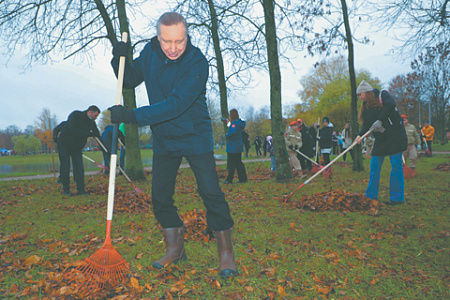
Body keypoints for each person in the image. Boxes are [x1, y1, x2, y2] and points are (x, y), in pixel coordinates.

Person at [108, 12, 237, 278]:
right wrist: (117, 58)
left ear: (186, 36)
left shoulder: (198, 63)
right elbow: (129, 78)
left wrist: (132, 117)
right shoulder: (150, 53)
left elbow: (176, 105)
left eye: (179, 40)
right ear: (158, 37)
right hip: (165, 138)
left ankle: (226, 253)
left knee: (211, 192)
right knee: (160, 196)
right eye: (167, 41)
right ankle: (175, 249)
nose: (173, 47)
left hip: (194, 135)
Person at [354, 80, 407, 205]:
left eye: (360, 94)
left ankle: (396, 198)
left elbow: (390, 105)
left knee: (396, 167)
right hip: (381, 140)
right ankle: (371, 196)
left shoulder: (383, 95)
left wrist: (379, 120)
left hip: (395, 137)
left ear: (366, 92)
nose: (360, 97)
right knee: (374, 166)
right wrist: (359, 136)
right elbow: (367, 124)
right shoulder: (366, 107)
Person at [57, 105, 102, 196]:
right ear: (90, 112)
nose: (96, 118)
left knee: (79, 168)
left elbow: (96, 134)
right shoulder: (75, 115)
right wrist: (89, 134)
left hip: (77, 147)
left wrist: (107, 149)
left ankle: (81, 190)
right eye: (95, 115)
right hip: (64, 144)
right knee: (65, 166)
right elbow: (73, 130)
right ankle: (66, 189)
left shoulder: (91, 123)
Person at [223, 109, 248, 184]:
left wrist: (227, 135)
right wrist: (228, 123)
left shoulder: (234, 123)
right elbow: (234, 128)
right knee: (239, 163)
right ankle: (243, 178)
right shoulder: (239, 123)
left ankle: (229, 179)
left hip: (232, 146)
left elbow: (232, 132)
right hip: (238, 146)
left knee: (231, 164)